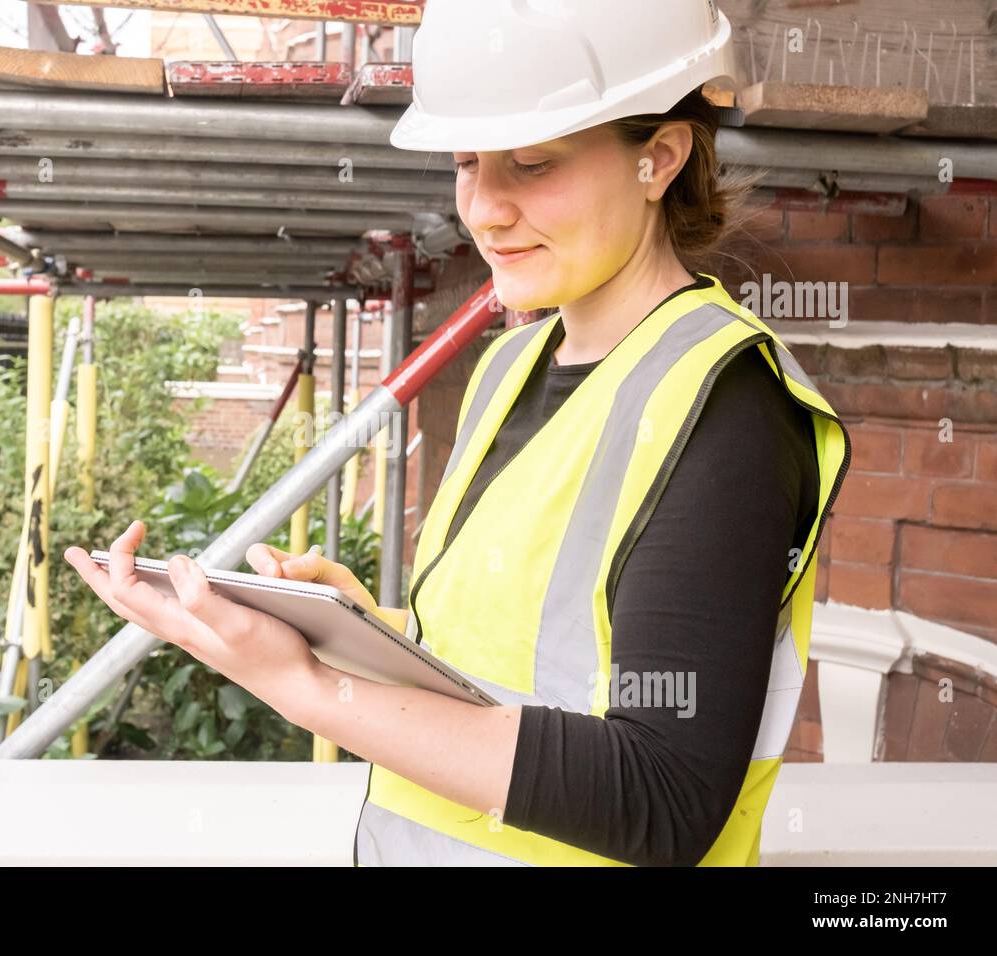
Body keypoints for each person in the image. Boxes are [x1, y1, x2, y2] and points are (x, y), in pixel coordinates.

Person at [64, 0, 852, 866]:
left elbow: (661, 794)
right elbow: (529, 669)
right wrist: (363, 635)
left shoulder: (725, 403)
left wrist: (310, 687)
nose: (485, 210)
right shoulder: (510, 367)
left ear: (659, 157)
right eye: (467, 162)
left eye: (531, 163)